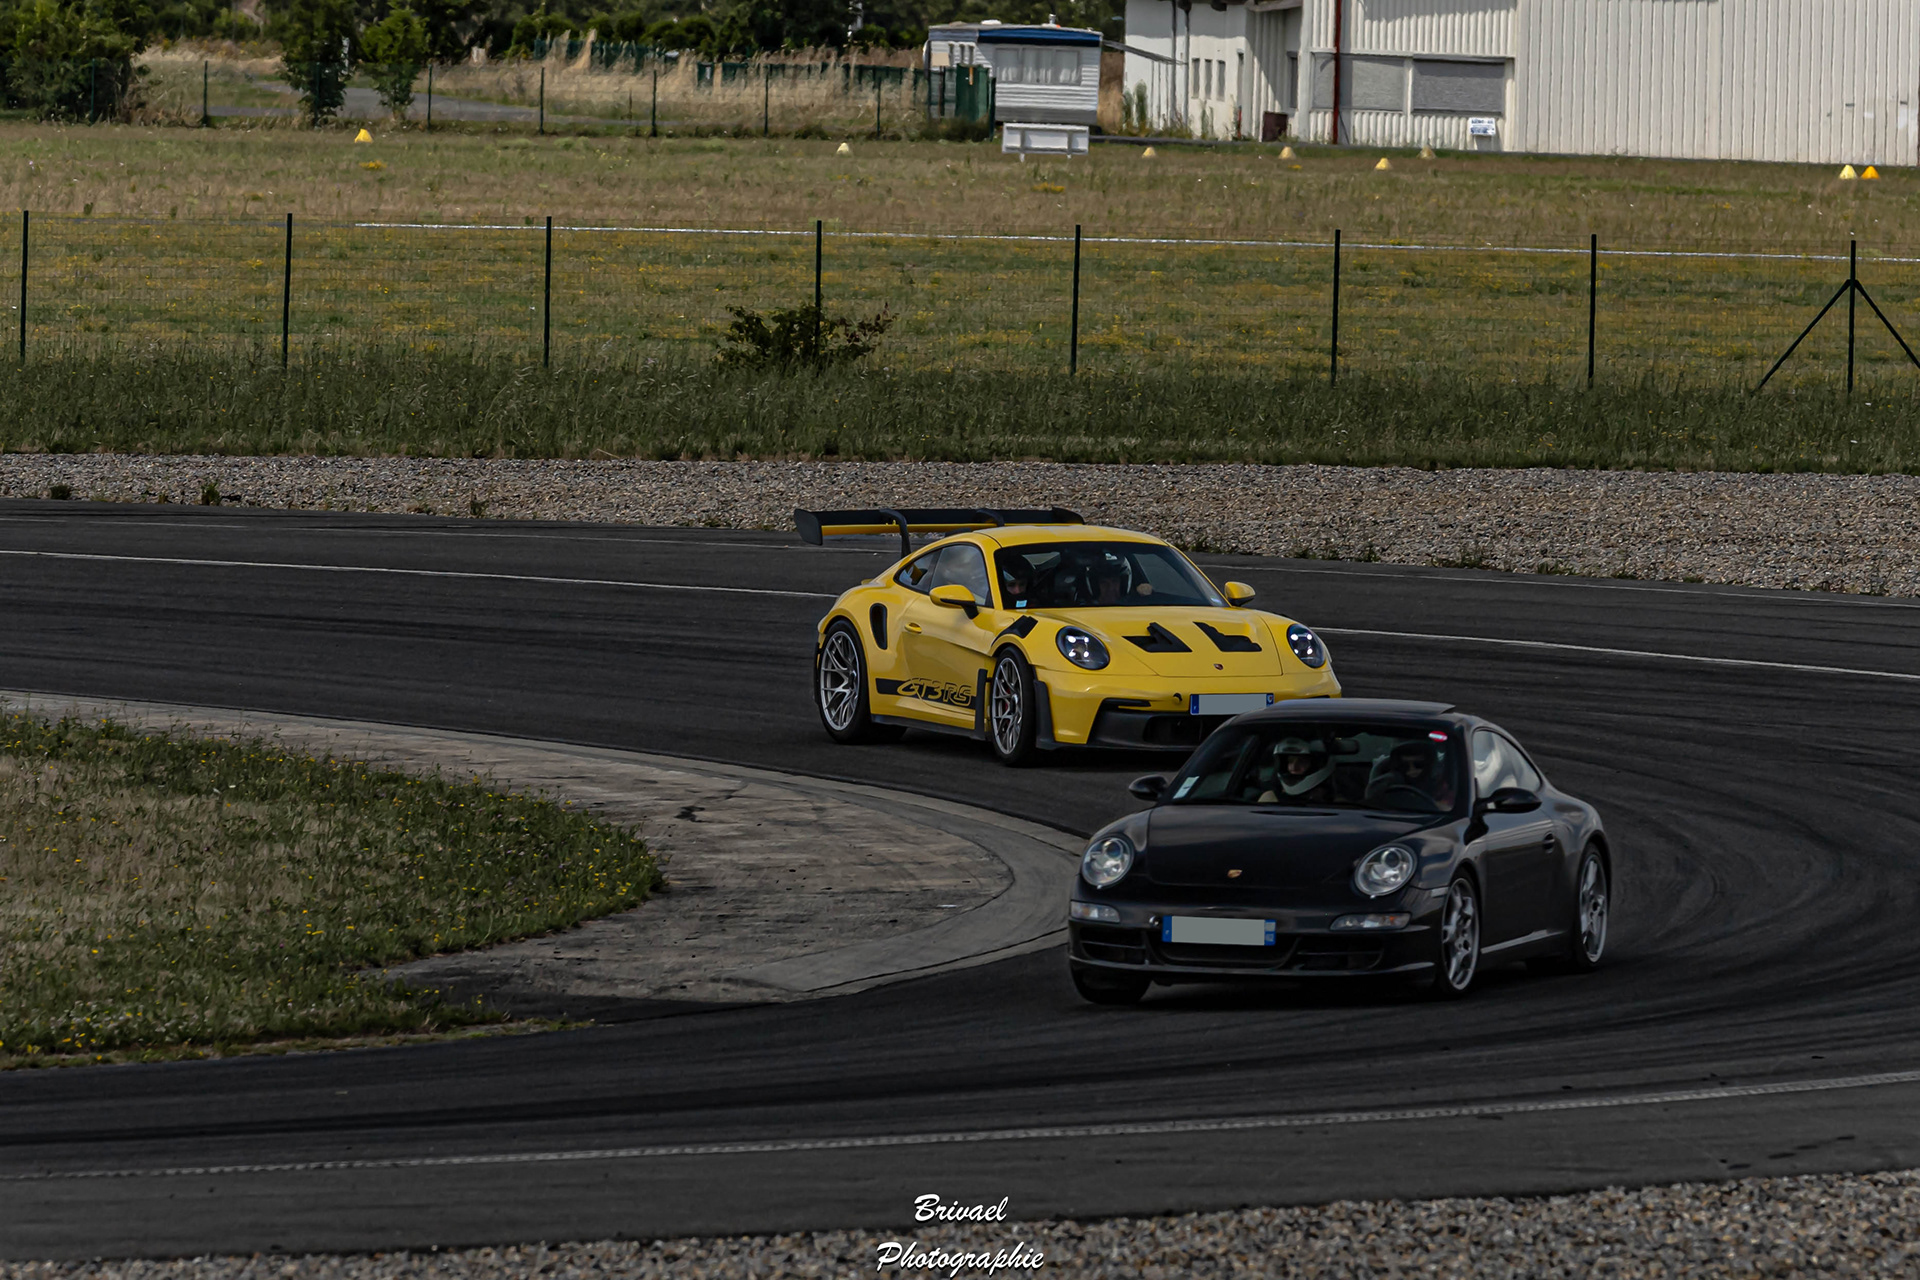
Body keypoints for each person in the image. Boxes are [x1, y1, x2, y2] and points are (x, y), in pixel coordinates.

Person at [1368, 739, 1456, 810]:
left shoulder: (1441, 787)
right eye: (1405, 766)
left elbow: (1450, 808)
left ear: (1429, 765)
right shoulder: (1387, 784)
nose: (1412, 770)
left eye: (1419, 765)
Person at [1258, 737, 1334, 803]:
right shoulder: (1271, 798)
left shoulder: (1335, 803)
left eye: (1302, 761)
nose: (1294, 767)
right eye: (1290, 761)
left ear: (1316, 765)